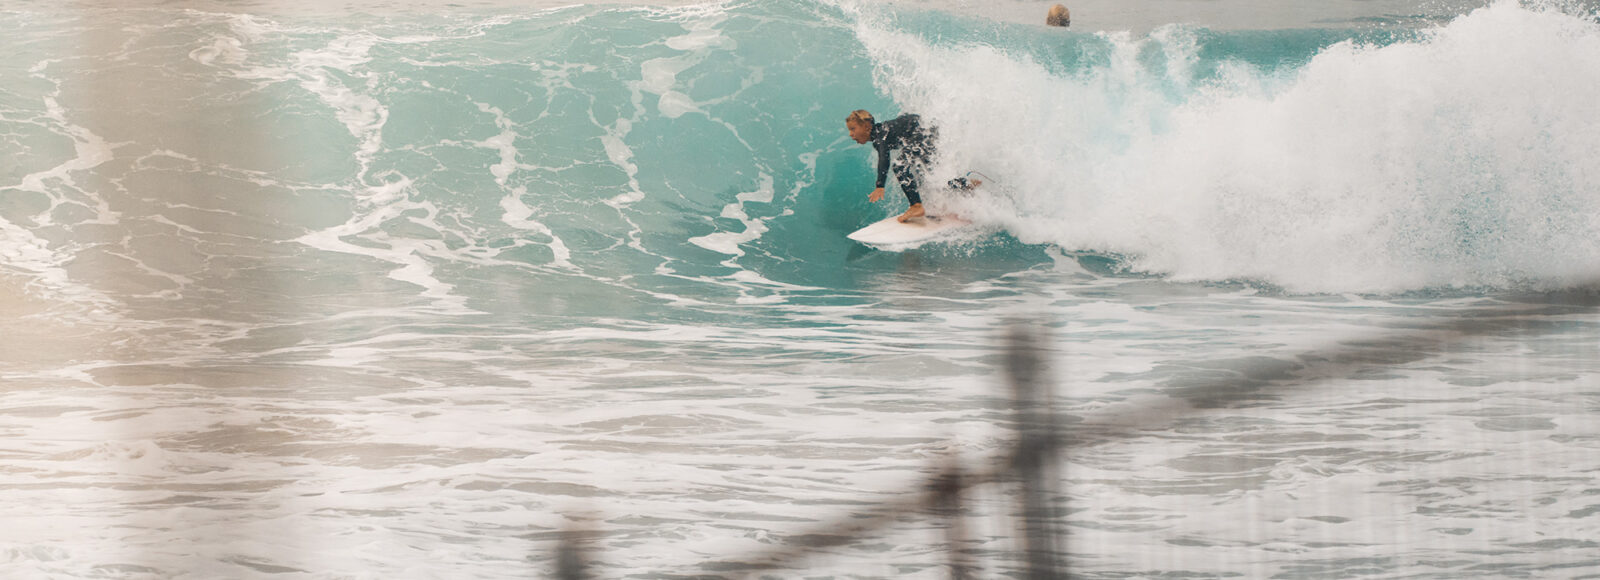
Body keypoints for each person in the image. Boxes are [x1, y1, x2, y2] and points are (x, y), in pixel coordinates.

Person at [846, 109, 938, 223]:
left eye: (853, 129)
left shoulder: (879, 136)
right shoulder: (882, 132)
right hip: (926, 132)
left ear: (866, 126)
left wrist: (880, 185)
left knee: (899, 166)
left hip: (923, 133)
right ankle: (962, 185)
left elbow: (884, 158)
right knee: (932, 175)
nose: (850, 134)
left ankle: (916, 206)